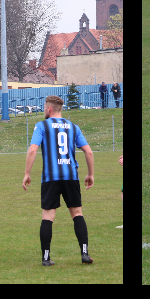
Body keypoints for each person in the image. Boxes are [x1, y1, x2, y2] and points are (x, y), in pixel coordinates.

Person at [23, 95, 95, 266]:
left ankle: (45, 258)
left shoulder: (41, 126)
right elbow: (89, 152)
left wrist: (27, 173)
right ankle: (85, 254)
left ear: (49, 109)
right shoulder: (73, 127)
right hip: (71, 176)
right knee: (77, 213)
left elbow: (32, 150)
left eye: (44, 107)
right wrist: (90, 174)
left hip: (50, 177)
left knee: (48, 216)